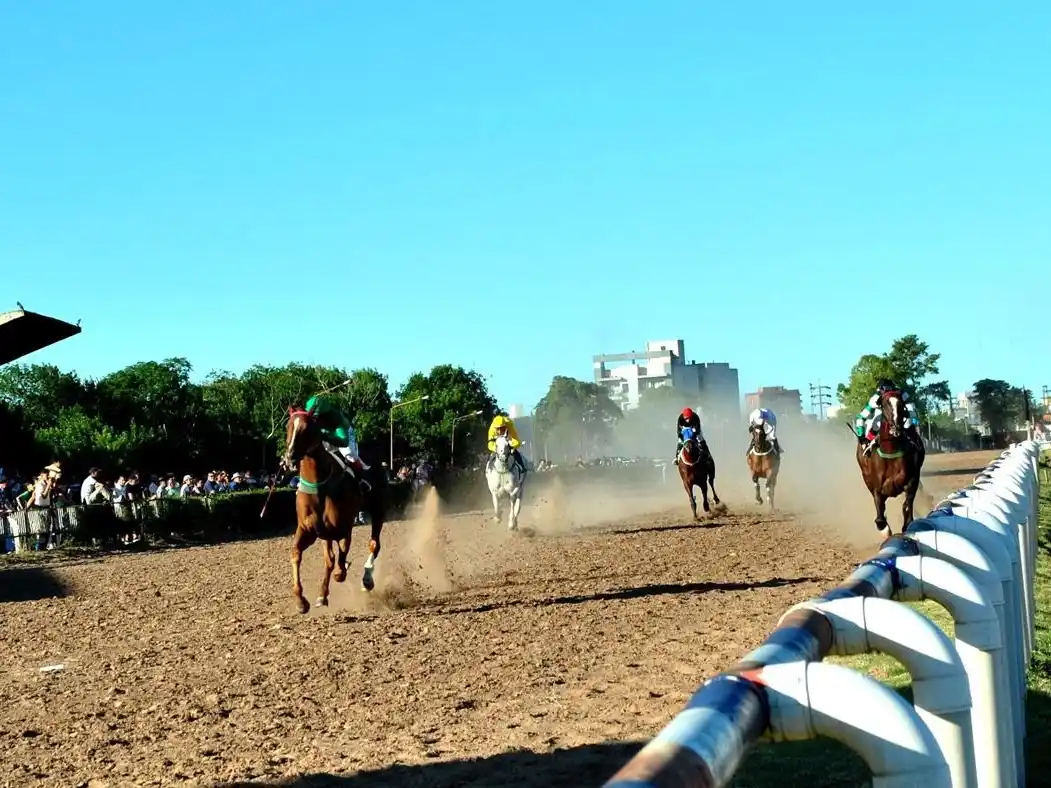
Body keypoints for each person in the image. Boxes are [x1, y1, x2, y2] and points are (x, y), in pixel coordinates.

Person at [303, 394, 371, 491]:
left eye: (316, 417)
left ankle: (361, 480)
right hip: (326, 435)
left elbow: (343, 442)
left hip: (342, 435)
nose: (314, 420)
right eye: (311, 418)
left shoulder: (336, 420)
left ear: (323, 415)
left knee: (349, 454)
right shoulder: (312, 421)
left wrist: (326, 437)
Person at [855, 378, 920, 454]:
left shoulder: (901, 394)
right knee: (876, 423)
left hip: (901, 420)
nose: (888, 394)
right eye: (885, 391)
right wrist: (862, 438)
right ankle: (868, 443)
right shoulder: (877, 397)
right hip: (884, 421)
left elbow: (912, 413)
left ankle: (915, 445)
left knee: (908, 424)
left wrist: (862, 438)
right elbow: (861, 417)